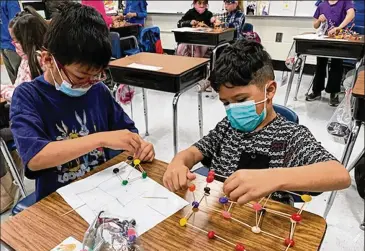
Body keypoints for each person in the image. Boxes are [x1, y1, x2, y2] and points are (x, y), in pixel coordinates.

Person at [163, 40, 350, 205]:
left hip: (261, 226)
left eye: (241, 99)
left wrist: (273, 177)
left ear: (269, 91)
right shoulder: (227, 127)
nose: (233, 109)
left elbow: (339, 174)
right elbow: (193, 152)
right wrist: (179, 162)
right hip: (219, 215)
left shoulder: (289, 136)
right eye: (226, 103)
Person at [10, 2, 155, 202]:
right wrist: (100, 139)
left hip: (105, 191)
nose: (88, 83)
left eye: (96, 75)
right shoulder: (27, 96)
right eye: (80, 76)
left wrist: (141, 146)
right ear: (48, 60)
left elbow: (128, 132)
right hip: (59, 202)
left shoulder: (98, 90)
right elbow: (35, 158)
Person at [306, 0, 355, 106]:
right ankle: (316, 91)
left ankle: (334, 93)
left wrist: (339, 27)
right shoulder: (322, 5)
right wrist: (319, 20)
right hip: (324, 38)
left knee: (336, 65)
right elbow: (315, 25)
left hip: (339, 38)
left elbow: (351, 14)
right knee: (320, 64)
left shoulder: (345, 2)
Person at [1, 7, 48, 102]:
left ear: (28, 40)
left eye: (16, 41)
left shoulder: (38, 61)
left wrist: (2, 90)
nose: (13, 44)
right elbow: (18, 87)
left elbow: (24, 97)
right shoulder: (26, 60)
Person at [1, 0, 21, 85]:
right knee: (17, 79)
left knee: (18, 78)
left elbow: (15, 23)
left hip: (11, 45)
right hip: (6, 45)